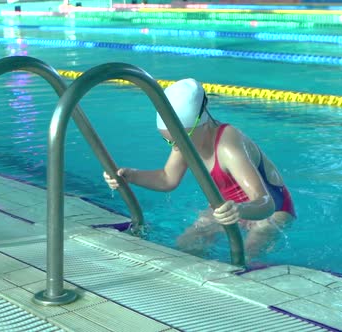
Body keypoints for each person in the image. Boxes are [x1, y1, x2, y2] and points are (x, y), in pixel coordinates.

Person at [103, 78, 296, 263]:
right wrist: (129, 175)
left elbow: (266, 202)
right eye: (169, 140)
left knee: (243, 258)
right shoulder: (186, 140)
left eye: (179, 138)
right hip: (229, 207)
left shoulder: (228, 147)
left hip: (271, 211)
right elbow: (167, 178)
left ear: (201, 122)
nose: (176, 147)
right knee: (185, 247)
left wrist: (240, 210)